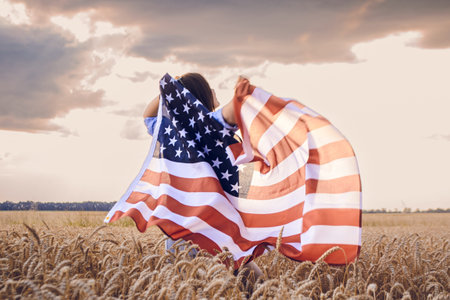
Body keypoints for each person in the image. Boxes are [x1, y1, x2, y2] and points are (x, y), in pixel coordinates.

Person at [142, 72, 262, 278]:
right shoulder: (213, 124)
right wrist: (242, 94)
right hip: (216, 232)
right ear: (201, 95)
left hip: (180, 233)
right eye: (209, 87)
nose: (214, 90)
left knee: (185, 287)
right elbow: (233, 113)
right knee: (255, 284)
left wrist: (171, 91)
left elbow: (147, 116)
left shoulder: (170, 130)